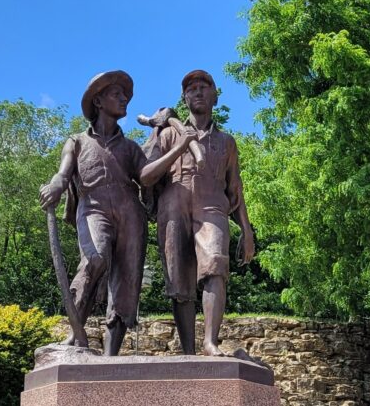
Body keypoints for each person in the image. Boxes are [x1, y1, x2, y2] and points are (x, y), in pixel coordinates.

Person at [40, 70, 195, 356]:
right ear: (98, 101)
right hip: (93, 206)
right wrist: (55, 185)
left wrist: (180, 148)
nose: (124, 99)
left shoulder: (129, 147)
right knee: (94, 259)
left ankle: (111, 357)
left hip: (130, 213)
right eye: (116, 94)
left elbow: (146, 177)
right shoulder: (76, 142)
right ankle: (76, 334)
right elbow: (64, 173)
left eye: (125, 95)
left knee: (126, 283)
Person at [141, 70, 256, 356]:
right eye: (192, 88)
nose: (199, 92)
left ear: (215, 96)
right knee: (178, 279)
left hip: (212, 205)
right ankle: (189, 351)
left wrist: (247, 229)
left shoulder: (227, 142)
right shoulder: (168, 133)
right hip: (174, 204)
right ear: (184, 98)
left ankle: (210, 342)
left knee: (216, 265)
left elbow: (236, 189)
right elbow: (144, 175)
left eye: (205, 87)